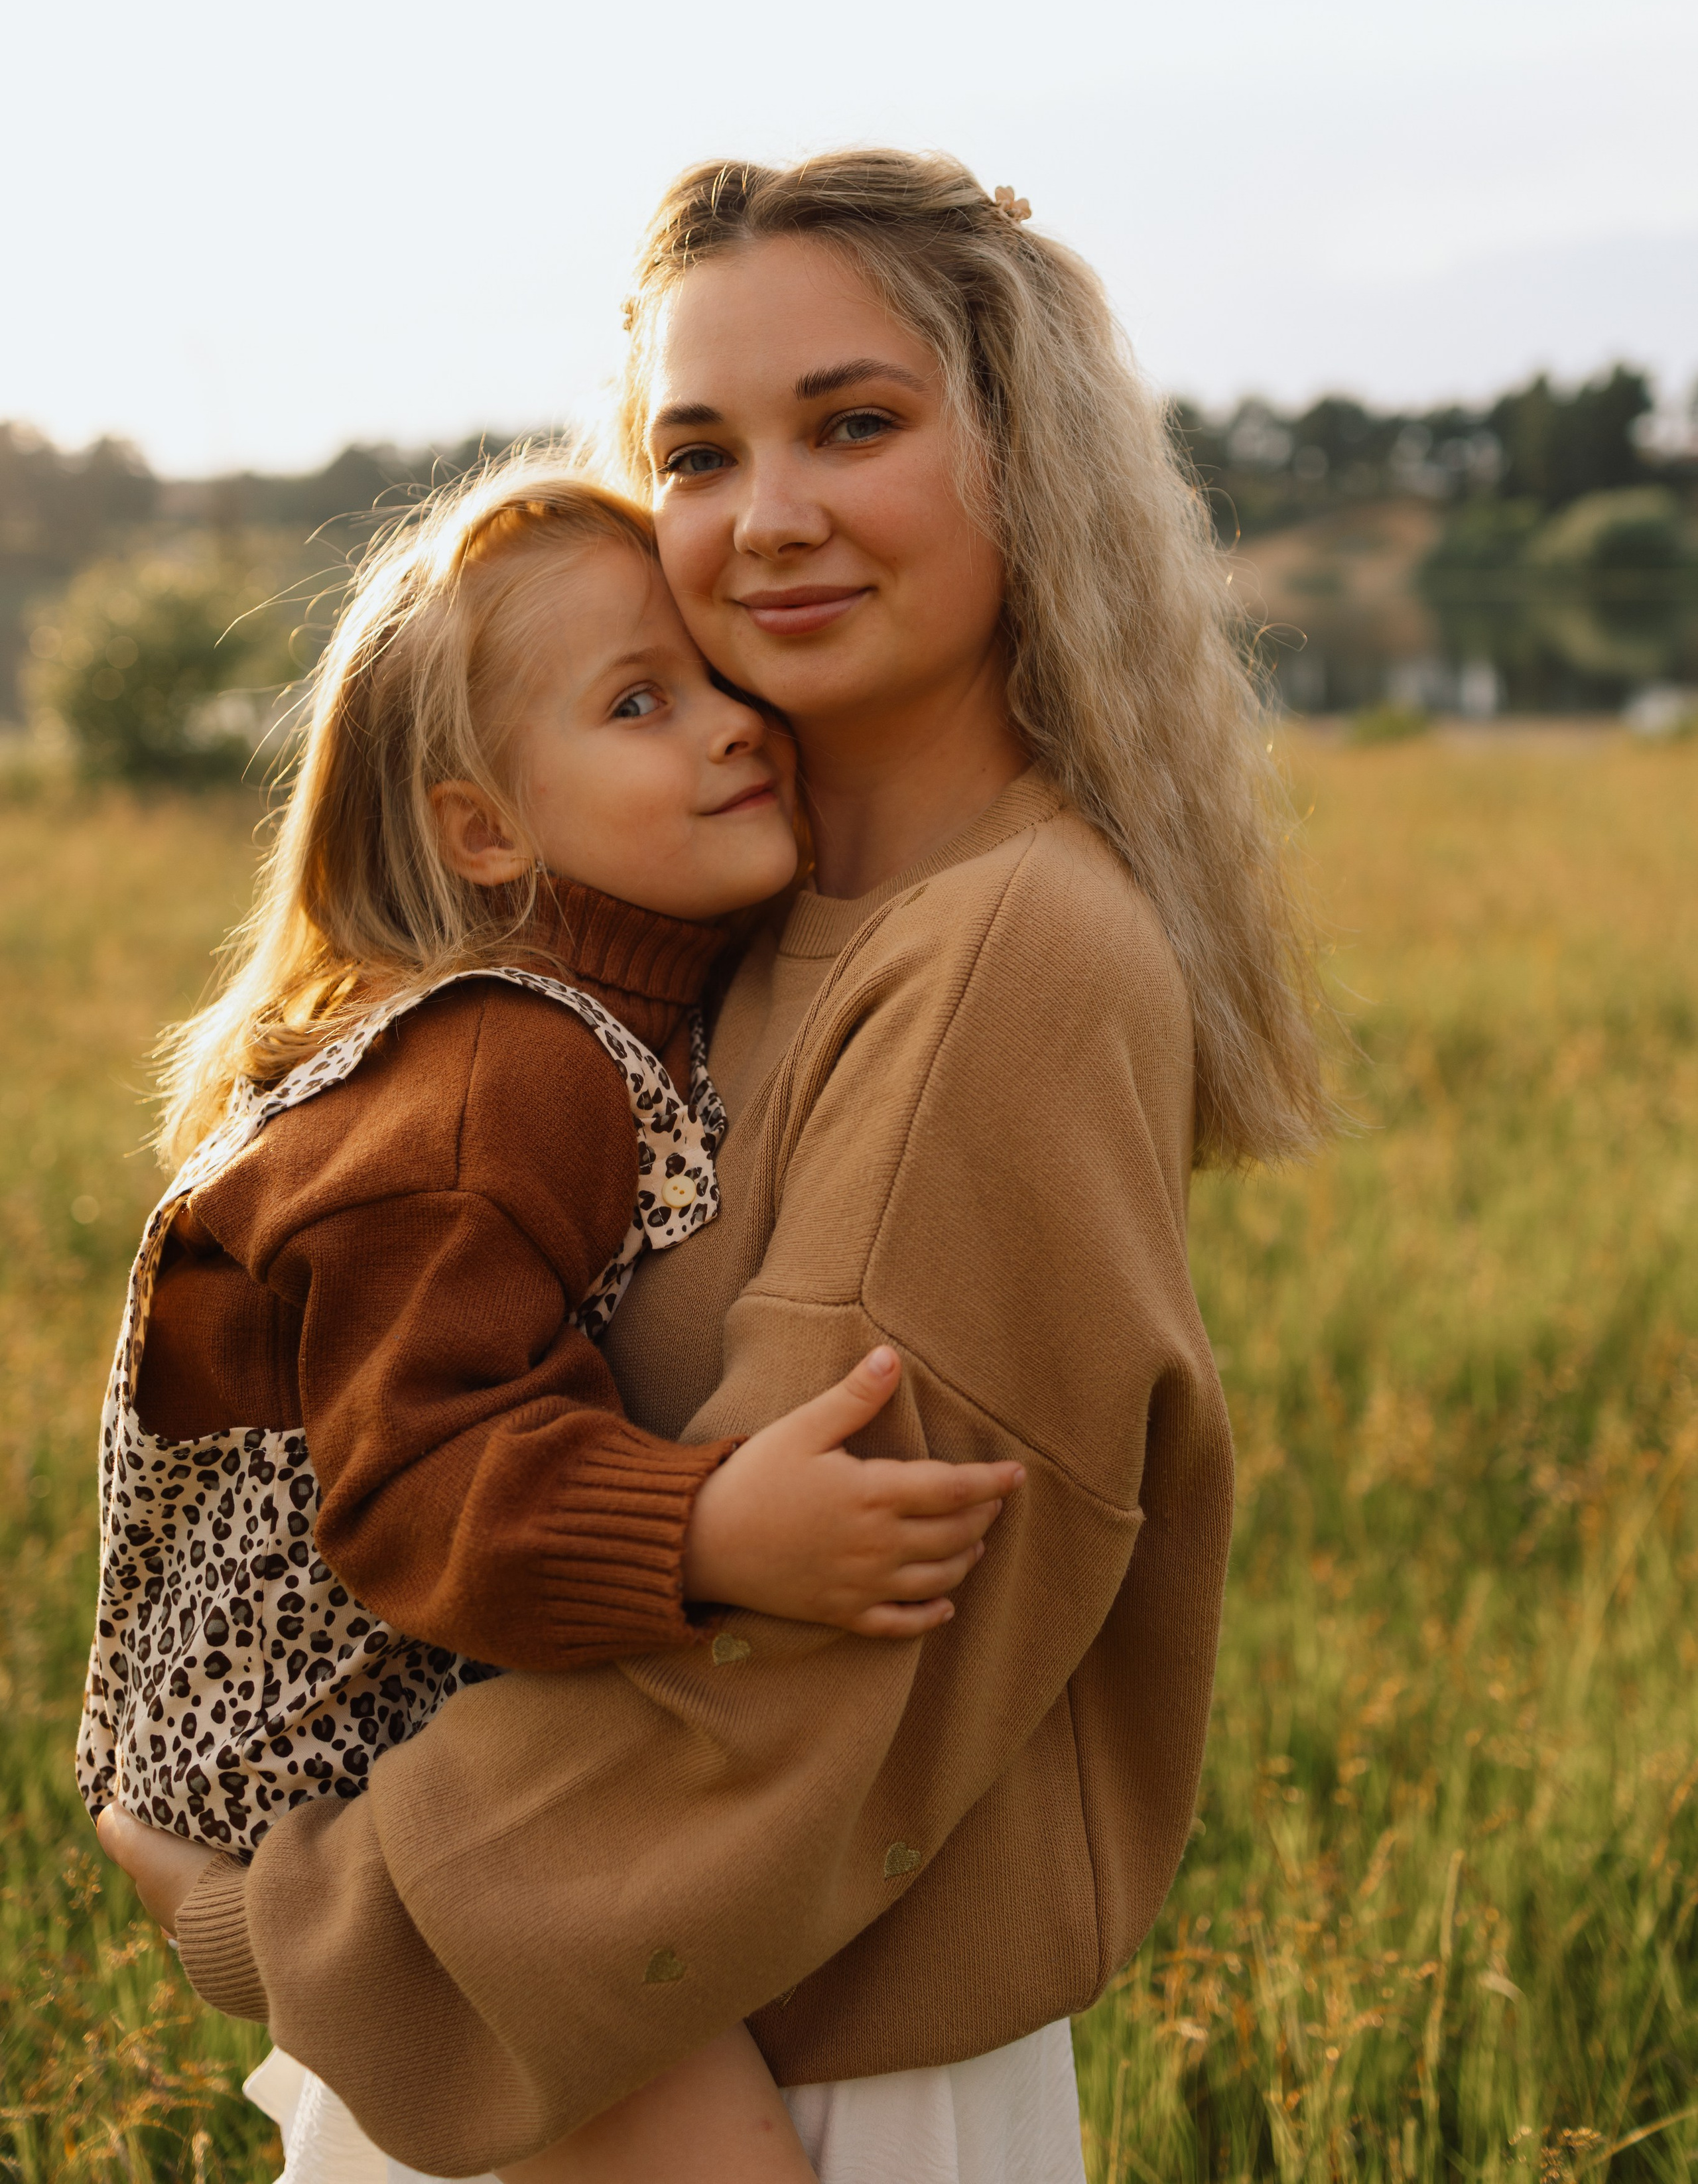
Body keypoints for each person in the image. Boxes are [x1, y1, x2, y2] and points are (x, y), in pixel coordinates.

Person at [103, 150, 1325, 2184]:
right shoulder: (716, 921)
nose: (767, 519)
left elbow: (810, 1665)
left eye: (856, 423)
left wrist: (282, 1916)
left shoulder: (1003, 949)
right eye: (696, 451)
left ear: (1025, 459)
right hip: (556, 2018)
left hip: (752, 2060)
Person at [84, 457, 1022, 2183]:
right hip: (318, 1735)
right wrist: (705, 1527)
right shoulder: (500, 1073)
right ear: (484, 831)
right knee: (669, 2099)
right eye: (642, 701)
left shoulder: (611, 1019)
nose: (735, 727)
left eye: (725, 682)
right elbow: (413, 1479)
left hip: (362, 1727)